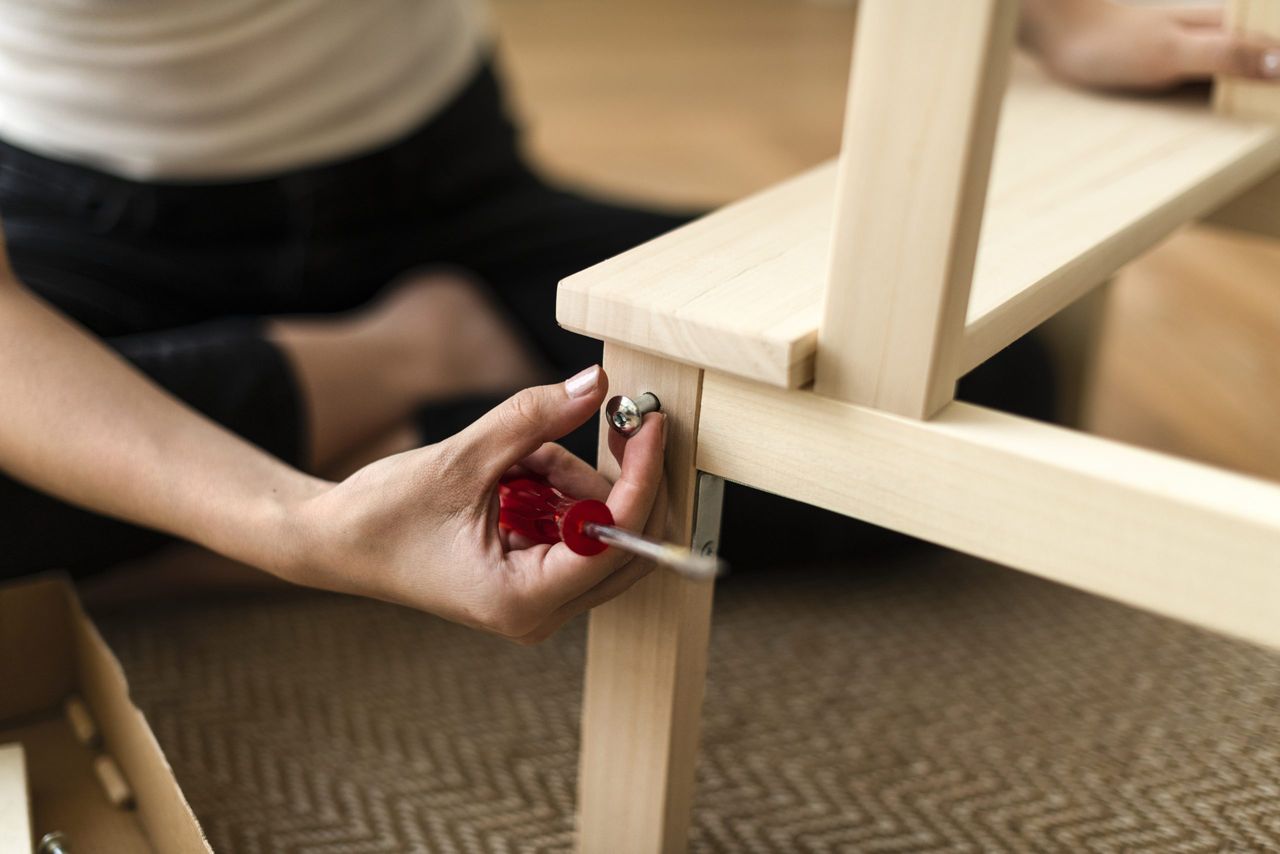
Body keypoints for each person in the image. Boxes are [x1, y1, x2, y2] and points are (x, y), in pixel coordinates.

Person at [0, 0, 1275, 637]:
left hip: (444, 191)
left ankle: (252, 488)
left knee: (981, 381)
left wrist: (1047, 13)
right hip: (71, 245)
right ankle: (387, 402)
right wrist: (285, 527)